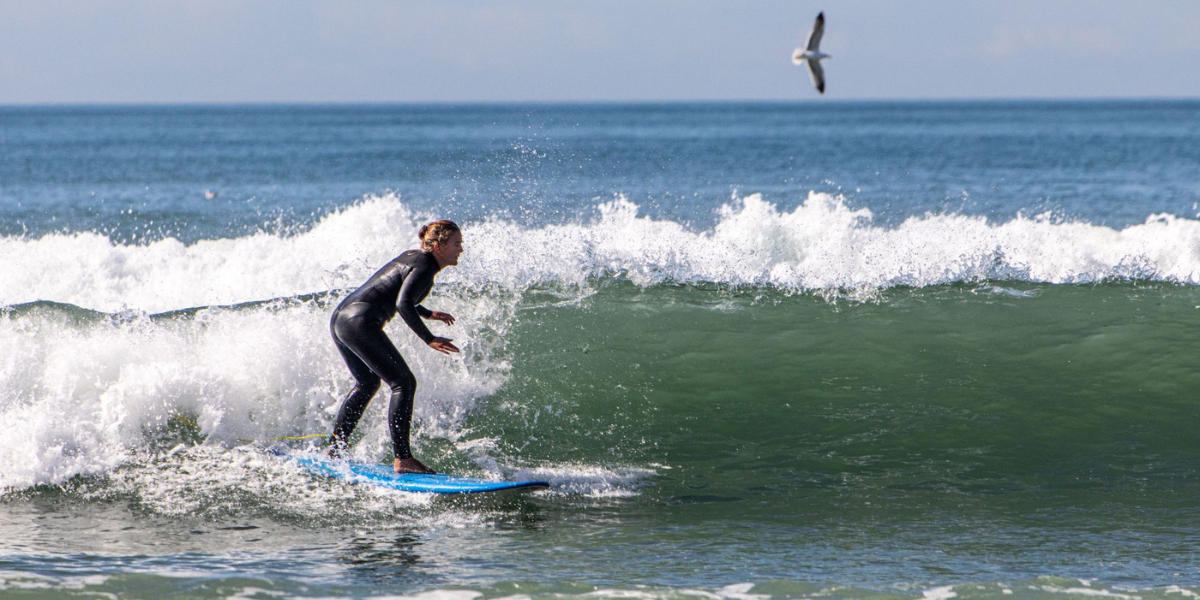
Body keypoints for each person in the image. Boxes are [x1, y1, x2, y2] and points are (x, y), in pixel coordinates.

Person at [327, 220, 463, 474]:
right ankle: (403, 459)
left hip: (342, 319)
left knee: (368, 383)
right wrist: (429, 338)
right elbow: (403, 304)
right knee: (404, 383)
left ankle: (335, 447)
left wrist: (428, 313)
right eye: (456, 244)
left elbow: (394, 293)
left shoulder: (414, 257)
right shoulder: (425, 268)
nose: (461, 250)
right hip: (360, 322)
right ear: (438, 246)